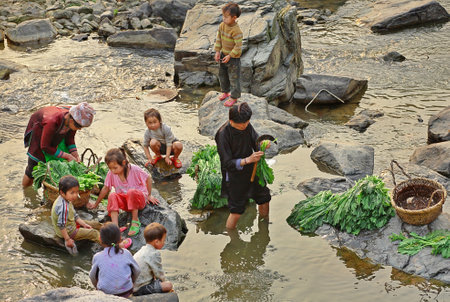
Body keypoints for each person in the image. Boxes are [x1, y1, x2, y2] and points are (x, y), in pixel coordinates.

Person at [215, 102, 271, 229]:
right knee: (236, 210)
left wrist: (263, 143)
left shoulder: (246, 125)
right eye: (241, 124)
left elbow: (255, 141)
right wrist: (247, 160)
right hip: (234, 175)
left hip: (252, 169)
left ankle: (264, 227)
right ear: (231, 120)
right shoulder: (223, 134)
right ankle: (232, 238)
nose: (245, 126)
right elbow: (227, 163)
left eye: (247, 122)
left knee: (264, 198)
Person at [51, 175, 132, 255]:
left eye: (77, 192)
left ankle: (112, 232)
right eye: (72, 193)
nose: (75, 195)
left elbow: (74, 215)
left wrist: (84, 224)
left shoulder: (66, 199)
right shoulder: (63, 207)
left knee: (95, 224)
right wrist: (68, 239)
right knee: (93, 233)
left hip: (71, 223)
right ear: (62, 192)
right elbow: (61, 225)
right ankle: (113, 246)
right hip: (69, 231)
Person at [87, 148, 159, 236]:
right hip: (126, 203)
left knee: (131, 192)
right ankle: (115, 226)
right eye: (110, 168)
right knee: (112, 195)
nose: (113, 171)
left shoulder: (134, 169)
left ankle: (135, 221)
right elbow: (106, 188)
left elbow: (148, 178)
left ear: (124, 163)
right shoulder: (111, 173)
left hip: (138, 201)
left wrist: (149, 195)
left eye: (115, 168)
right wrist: (96, 204)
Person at [23, 102, 95, 188]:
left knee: (55, 168)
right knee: (32, 168)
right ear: (71, 120)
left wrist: (75, 154)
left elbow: (70, 138)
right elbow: (45, 146)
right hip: (40, 131)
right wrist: (67, 156)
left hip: (56, 130)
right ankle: (26, 190)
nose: (79, 129)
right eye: (79, 126)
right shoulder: (52, 120)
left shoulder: (73, 119)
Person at [89, 222, 140, 298]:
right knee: (129, 267)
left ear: (100, 239)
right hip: (126, 292)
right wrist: (132, 282)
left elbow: (92, 276)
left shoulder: (97, 256)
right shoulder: (126, 253)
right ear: (120, 239)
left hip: (105, 293)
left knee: (98, 270)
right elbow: (137, 271)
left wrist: (96, 286)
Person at [214, 2, 243, 107]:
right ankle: (225, 92)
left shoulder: (236, 31)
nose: (223, 19)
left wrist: (230, 55)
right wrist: (217, 51)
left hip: (233, 59)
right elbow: (219, 39)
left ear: (234, 17)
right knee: (222, 74)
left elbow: (238, 46)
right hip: (223, 55)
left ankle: (234, 97)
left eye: (226, 17)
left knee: (234, 78)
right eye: (223, 16)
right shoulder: (222, 26)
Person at [133, 222, 173, 296]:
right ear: (157, 242)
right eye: (163, 240)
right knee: (168, 285)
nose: (164, 243)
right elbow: (159, 274)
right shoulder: (154, 254)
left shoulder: (142, 250)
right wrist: (164, 283)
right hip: (139, 289)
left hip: (133, 285)